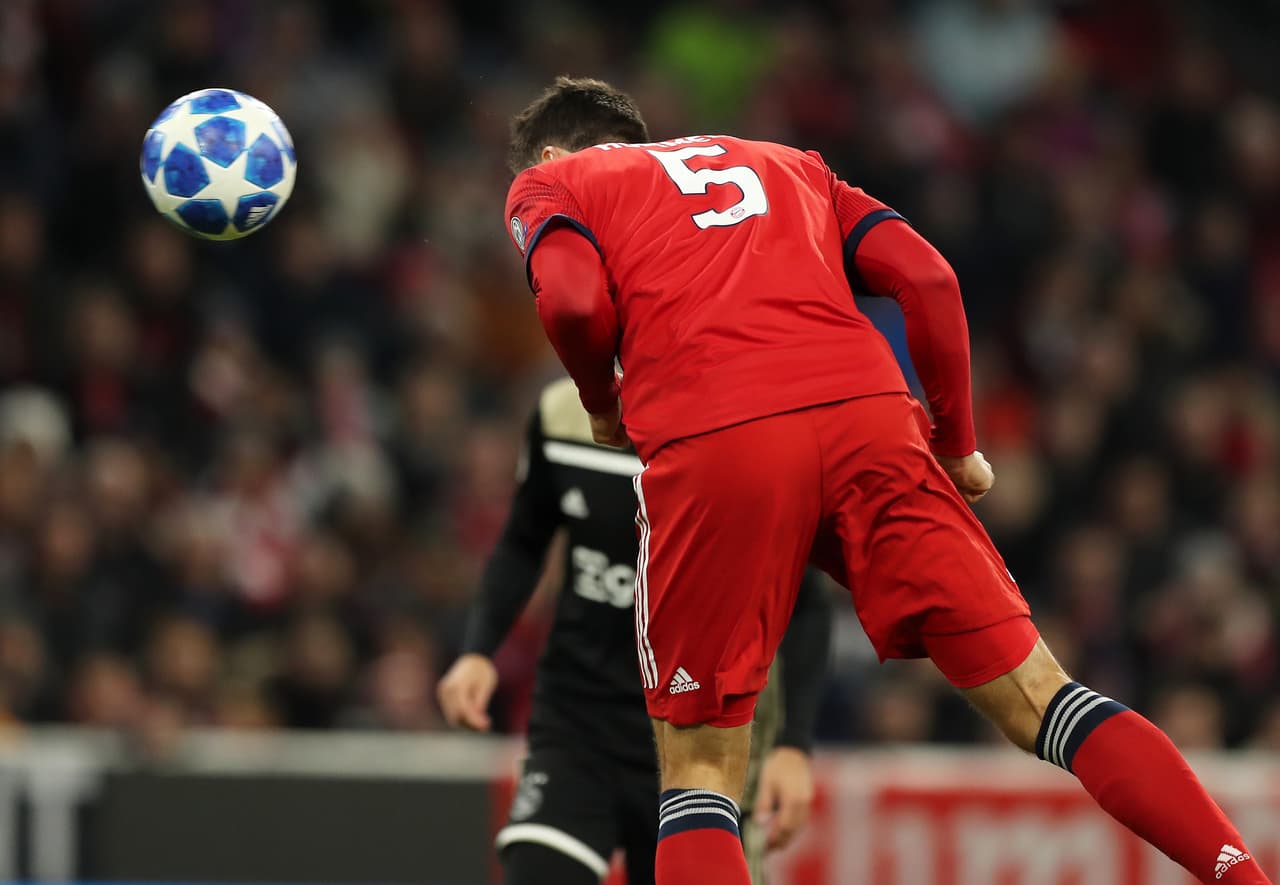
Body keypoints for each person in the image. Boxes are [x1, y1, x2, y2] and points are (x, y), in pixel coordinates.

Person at [499, 76, 1272, 885]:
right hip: (869, 420)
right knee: (1044, 697)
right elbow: (928, 277)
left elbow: (575, 303)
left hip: (719, 438)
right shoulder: (793, 165)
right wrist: (958, 443)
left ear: (549, 153)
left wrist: (601, 401)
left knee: (699, 769)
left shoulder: (554, 184)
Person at [437, 376, 832, 885]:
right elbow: (524, 539)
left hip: (696, 744)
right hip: (578, 722)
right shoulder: (561, 415)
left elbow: (806, 601)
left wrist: (793, 746)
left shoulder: (747, 423)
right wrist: (478, 651)